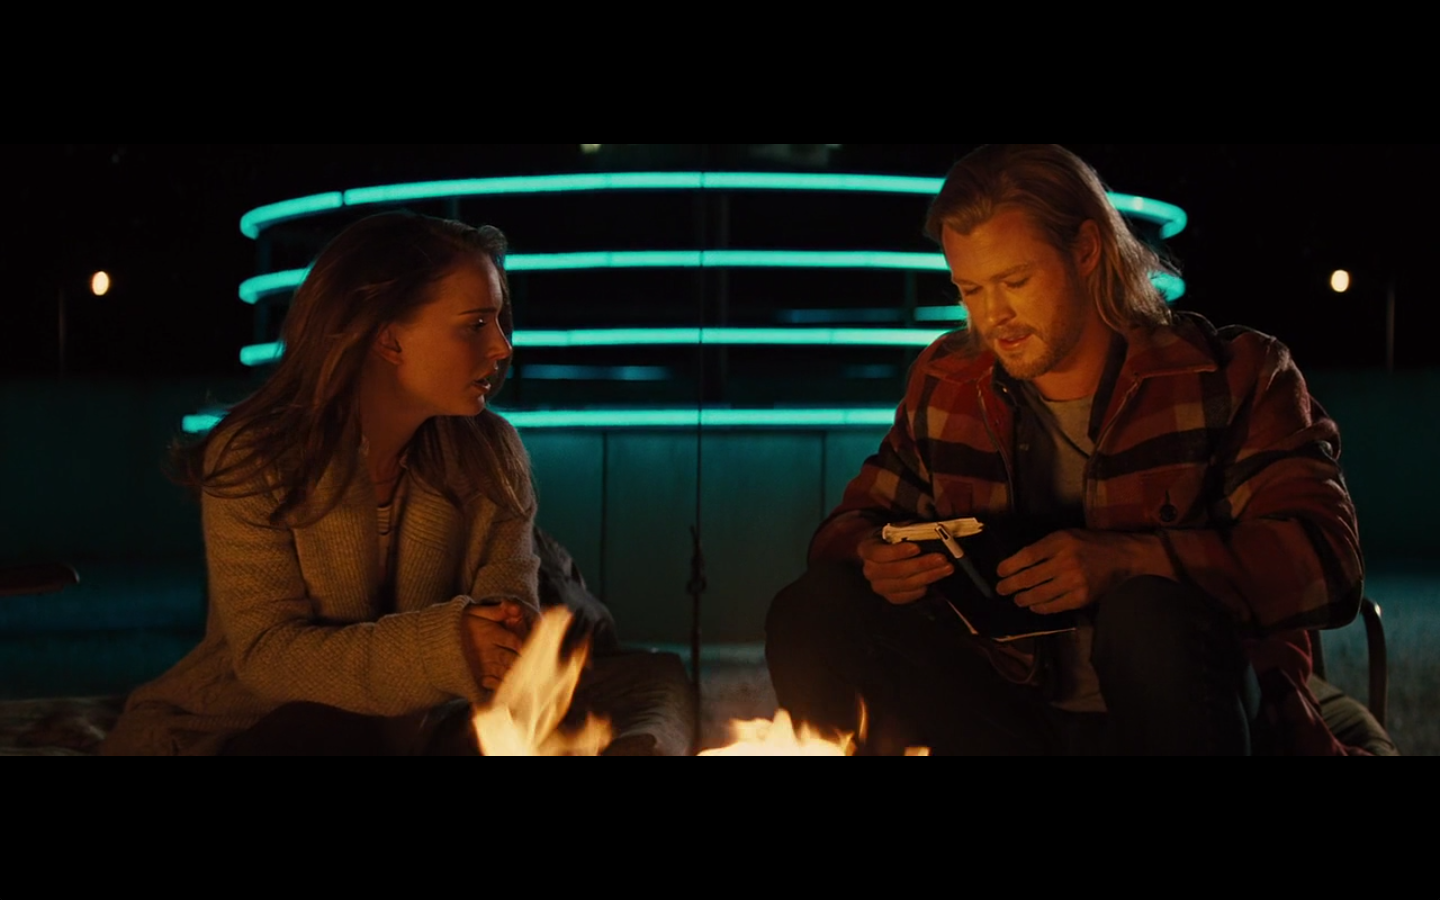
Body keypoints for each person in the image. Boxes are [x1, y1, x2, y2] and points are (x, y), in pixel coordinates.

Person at [765, 144, 1366, 756]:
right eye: (970, 289)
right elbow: (846, 529)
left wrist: (1130, 561)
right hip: (1010, 713)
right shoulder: (951, 383)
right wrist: (874, 554)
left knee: (1146, 615)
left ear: (1086, 250)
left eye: (1015, 281)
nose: (993, 315)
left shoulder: (1230, 376)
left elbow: (1329, 564)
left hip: (1179, 712)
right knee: (812, 608)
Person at [102, 212, 541, 756]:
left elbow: (512, 614)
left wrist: (504, 638)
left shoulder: (490, 454)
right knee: (328, 734)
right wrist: (448, 648)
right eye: (475, 324)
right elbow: (268, 657)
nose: (502, 347)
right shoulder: (257, 456)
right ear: (389, 339)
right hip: (242, 727)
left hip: (419, 733)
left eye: (499, 321)